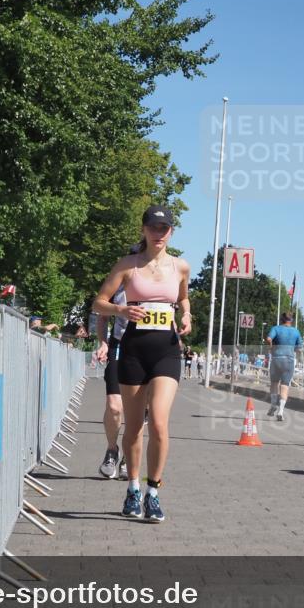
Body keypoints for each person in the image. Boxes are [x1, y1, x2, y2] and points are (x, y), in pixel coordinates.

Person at [93, 205, 191, 523]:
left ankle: (153, 492)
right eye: (153, 227)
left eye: (164, 228)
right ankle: (133, 487)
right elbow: (99, 302)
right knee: (134, 428)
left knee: (160, 424)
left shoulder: (181, 267)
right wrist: (122, 312)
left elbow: (184, 298)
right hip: (134, 350)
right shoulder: (128, 265)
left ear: (171, 232)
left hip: (167, 351)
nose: (159, 233)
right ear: (144, 230)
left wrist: (186, 314)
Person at [94, 280, 130, 480]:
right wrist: (104, 343)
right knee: (115, 407)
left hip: (149, 350)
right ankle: (111, 450)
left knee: (140, 411)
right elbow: (103, 316)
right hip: (120, 346)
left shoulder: (159, 281)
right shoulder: (119, 284)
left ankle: (127, 457)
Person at [266, 313, 303, 421]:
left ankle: (273, 404)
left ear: (282, 319)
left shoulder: (276, 329)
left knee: (274, 383)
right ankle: (281, 411)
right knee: (285, 385)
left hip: (277, 359)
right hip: (289, 360)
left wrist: (272, 347)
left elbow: (268, 338)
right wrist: (294, 351)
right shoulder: (296, 332)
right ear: (291, 320)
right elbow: (299, 348)